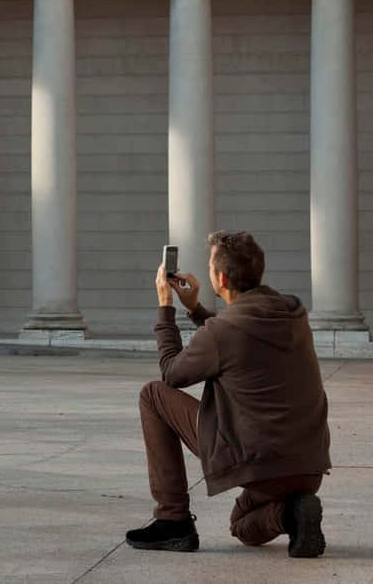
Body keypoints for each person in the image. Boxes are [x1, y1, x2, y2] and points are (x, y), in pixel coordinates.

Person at [126, 230, 331, 557]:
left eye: (210, 267)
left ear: (220, 277)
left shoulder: (223, 332)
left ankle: (172, 520)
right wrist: (194, 309)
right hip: (308, 467)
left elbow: (172, 372)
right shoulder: (293, 312)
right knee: (241, 525)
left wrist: (166, 307)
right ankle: (292, 514)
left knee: (153, 394)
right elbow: (236, 336)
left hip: (261, 466)